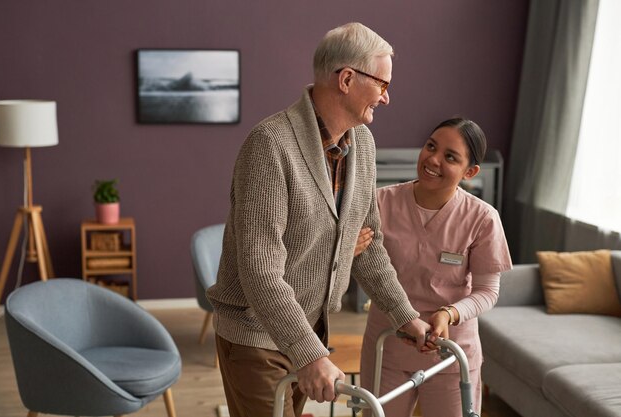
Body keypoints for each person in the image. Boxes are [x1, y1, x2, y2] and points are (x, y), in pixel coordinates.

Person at [206, 22, 431, 417]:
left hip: (306, 331)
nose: (387, 96)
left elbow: (368, 242)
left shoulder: (362, 143)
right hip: (257, 337)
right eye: (381, 84)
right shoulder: (271, 145)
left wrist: (404, 315)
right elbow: (260, 271)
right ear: (347, 79)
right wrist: (310, 355)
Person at [357, 118, 512, 417]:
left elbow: (487, 292)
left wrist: (449, 313)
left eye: (450, 157)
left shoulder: (482, 219)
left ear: (470, 172)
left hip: (450, 354)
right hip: (387, 346)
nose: (433, 159)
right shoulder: (381, 203)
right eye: (431, 146)